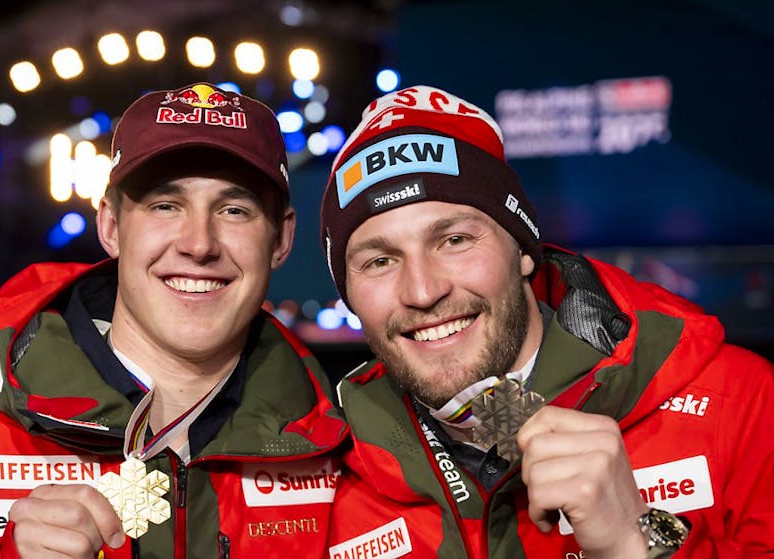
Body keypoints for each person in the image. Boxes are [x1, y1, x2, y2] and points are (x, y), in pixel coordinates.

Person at [0, 82, 348, 558]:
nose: (199, 244)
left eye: (234, 210)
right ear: (111, 226)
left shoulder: (341, 447)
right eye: (164, 205)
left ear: (281, 239)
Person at [319, 85, 774, 558]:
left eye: (454, 240)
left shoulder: (741, 403)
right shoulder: (328, 476)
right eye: (379, 261)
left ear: (522, 252)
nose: (423, 291)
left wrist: (632, 545)